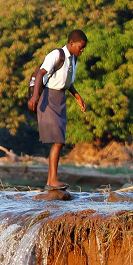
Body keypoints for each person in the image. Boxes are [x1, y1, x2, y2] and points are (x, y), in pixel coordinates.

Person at [28, 30, 87, 191]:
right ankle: (53, 180)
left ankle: (50, 181)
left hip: (60, 98)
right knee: (58, 140)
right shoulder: (57, 54)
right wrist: (34, 97)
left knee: (59, 139)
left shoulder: (73, 60)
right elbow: (41, 73)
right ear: (71, 43)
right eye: (80, 47)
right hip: (48, 97)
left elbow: (67, 82)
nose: (81, 51)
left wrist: (77, 97)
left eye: (83, 48)